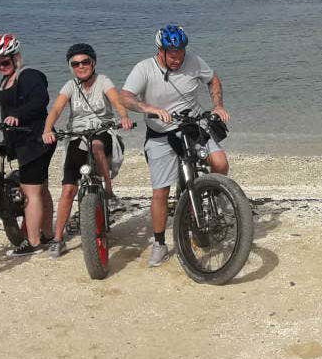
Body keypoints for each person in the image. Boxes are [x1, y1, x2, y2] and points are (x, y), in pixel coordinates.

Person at [117, 25, 229, 267]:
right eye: (172, 53)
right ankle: (159, 243)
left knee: (220, 163)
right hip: (161, 134)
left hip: (193, 124)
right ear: (161, 51)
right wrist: (149, 109)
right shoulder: (144, 68)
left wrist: (218, 104)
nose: (178, 58)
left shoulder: (194, 61)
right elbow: (125, 96)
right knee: (161, 191)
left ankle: (215, 195)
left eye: (180, 52)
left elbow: (213, 79)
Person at [41, 43, 135, 258]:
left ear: (93, 63)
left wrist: (124, 117)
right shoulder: (70, 86)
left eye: (85, 62)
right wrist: (48, 129)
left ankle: (108, 190)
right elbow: (56, 108)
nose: (80, 66)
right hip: (77, 134)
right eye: (75, 64)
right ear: (71, 67)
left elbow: (116, 100)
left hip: (102, 131)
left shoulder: (104, 81)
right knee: (67, 190)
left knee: (96, 145)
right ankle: (57, 238)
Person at [0, 33, 58, 257]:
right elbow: (7, 114)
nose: (1, 66)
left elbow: (40, 101)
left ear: (16, 56)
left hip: (37, 139)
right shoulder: (6, 79)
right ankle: (47, 233)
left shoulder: (29, 75)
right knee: (41, 189)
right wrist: (7, 143)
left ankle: (34, 242)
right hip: (25, 140)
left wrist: (18, 114)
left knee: (31, 192)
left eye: (5, 62)